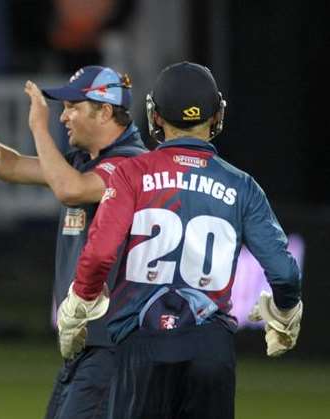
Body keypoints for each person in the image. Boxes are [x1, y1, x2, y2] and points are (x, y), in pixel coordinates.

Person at [57, 61, 303, 419]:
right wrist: (285, 313)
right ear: (216, 114)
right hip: (210, 348)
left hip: (140, 343)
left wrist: (76, 309)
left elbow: (99, 256)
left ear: (155, 116)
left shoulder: (130, 173)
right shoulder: (242, 186)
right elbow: (284, 272)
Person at [0, 65, 147, 419]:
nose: (63, 117)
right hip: (86, 347)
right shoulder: (84, 162)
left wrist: (38, 127)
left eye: (72, 107)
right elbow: (12, 166)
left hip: (113, 346)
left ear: (106, 111)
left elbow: (70, 190)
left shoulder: (130, 164)